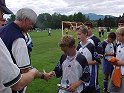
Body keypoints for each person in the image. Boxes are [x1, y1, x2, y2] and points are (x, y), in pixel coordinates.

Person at [0, 8, 37, 93]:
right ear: (25, 20)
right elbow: (25, 70)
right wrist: (36, 73)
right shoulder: (19, 39)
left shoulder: (2, 29)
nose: (32, 27)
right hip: (10, 86)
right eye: (32, 24)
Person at [76, 25, 100, 93]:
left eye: (79, 34)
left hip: (91, 73)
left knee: (91, 89)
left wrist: (85, 62)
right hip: (82, 73)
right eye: (77, 34)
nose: (78, 36)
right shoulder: (78, 45)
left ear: (85, 34)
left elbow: (97, 61)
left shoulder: (91, 46)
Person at [84, 22, 103, 93]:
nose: (87, 31)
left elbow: (99, 56)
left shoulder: (96, 40)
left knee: (93, 83)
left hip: (93, 67)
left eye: (88, 29)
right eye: (85, 29)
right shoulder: (83, 40)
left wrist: (86, 62)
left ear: (92, 28)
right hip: (84, 67)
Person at [108, 27, 124, 93]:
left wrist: (120, 63)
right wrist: (114, 61)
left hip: (123, 73)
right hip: (116, 70)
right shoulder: (119, 45)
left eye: (118, 36)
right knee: (112, 89)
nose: (117, 38)